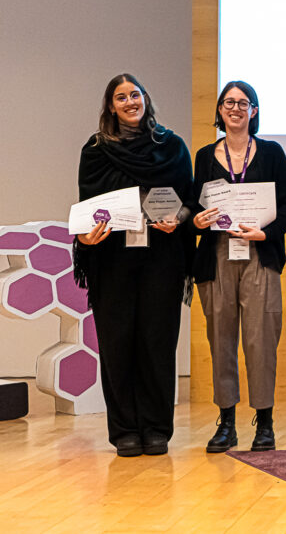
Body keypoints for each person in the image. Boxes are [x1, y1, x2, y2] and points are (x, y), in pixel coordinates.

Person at [73, 74, 193, 457]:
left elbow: (189, 201)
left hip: (162, 259)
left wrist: (179, 218)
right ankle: (124, 430)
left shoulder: (172, 147)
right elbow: (87, 208)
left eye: (135, 94)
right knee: (117, 345)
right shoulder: (95, 151)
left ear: (145, 98)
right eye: (121, 97)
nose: (130, 102)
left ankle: (157, 429)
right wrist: (86, 237)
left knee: (158, 343)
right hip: (112, 261)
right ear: (111, 106)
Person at [192, 81, 286, 452]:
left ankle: (264, 423)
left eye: (243, 103)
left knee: (260, 340)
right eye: (228, 102)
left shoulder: (271, 152)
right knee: (221, 341)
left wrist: (265, 233)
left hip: (259, 255)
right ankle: (226, 424)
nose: (235, 108)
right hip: (217, 257)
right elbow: (195, 207)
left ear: (254, 110)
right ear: (219, 110)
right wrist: (197, 222)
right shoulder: (204, 156)